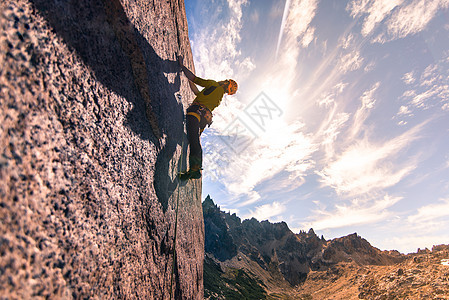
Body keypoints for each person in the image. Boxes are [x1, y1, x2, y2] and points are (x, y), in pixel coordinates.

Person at [178, 56, 238, 180]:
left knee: (193, 139)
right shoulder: (219, 97)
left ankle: (194, 169)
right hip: (204, 119)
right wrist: (189, 80)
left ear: (226, 83)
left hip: (196, 112)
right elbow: (197, 92)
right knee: (194, 140)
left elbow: (195, 79)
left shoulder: (213, 84)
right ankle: (193, 169)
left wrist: (182, 66)